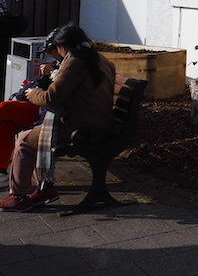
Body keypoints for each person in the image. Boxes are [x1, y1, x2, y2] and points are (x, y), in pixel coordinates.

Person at [1, 24, 115, 212]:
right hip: (99, 122)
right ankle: (45, 189)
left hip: (79, 128)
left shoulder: (74, 62)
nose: (58, 54)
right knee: (36, 133)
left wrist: (33, 93)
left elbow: (50, 99)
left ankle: (18, 196)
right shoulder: (100, 60)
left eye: (58, 49)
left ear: (63, 45)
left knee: (24, 140)